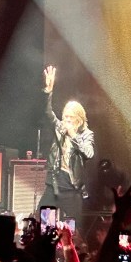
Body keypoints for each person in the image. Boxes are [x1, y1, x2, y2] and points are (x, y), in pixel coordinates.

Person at [40, 65, 95, 229]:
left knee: (73, 229)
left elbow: (89, 153)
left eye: (70, 117)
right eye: (65, 117)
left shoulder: (86, 134)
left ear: (79, 119)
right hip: (53, 185)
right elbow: (48, 113)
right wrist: (48, 91)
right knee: (43, 223)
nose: (67, 120)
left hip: (72, 188)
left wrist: (73, 135)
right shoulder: (60, 128)